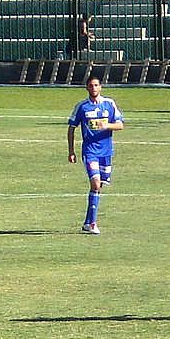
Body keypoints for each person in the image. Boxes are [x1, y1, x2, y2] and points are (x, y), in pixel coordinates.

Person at [67, 75, 124, 235]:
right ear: (86, 88)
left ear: (101, 87)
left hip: (106, 152)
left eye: (96, 85)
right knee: (95, 184)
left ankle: (87, 222)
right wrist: (71, 151)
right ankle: (92, 224)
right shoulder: (82, 107)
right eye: (91, 86)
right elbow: (71, 128)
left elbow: (120, 125)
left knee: (99, 187)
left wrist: (107, 125)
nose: (93, 88)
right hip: (90, 151)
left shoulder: (109, 104)